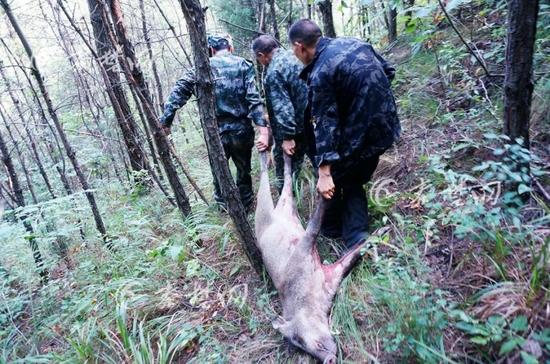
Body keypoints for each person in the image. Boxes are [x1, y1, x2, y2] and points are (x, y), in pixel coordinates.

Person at [288, 19, 400, 248]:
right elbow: (388, 71)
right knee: (353, 175)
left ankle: (354, 242)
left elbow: (324, 123)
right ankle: (340, 231)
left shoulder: (320, 72)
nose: (295, 54)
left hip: (363, 136)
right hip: (386, 128)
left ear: (299, 46)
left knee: (344, 179)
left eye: (293, 49)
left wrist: (324, 171)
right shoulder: (356, 44)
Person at [160, 35, 270, 211]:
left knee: (220, 174)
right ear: (230, 48)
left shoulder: (201, 68)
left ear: (211, 50)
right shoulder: (244, 65)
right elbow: (253, 99)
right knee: (244, 171)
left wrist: (166, 121)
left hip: (215, 133)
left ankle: (224, 208)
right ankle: (247, 206)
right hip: (242, 131)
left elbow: (178, 92)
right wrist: (263, 131)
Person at [251, 35, 311, 191]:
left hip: (295, 130)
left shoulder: (273, 71)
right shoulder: (296, 56)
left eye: (258, 59)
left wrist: (287, 137)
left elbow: (283, 107)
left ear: (261, 55)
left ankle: (286, 208)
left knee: (285, 171)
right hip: (312, 123)